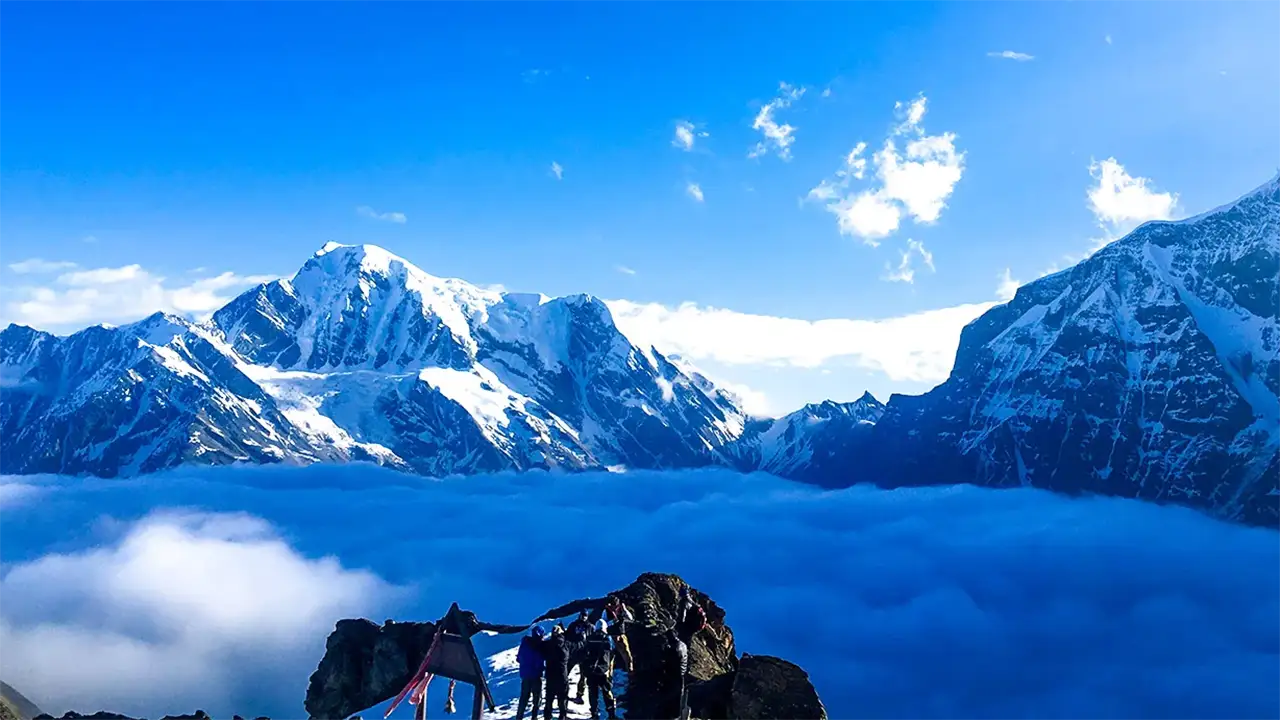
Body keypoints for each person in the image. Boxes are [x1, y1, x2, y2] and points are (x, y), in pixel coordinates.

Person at [582, 619, 619, 720]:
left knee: (593, 693)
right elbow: (612, 651)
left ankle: (594, 714)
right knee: (607, 692)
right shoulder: (608, 639)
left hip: (591, 671)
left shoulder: (589, 638)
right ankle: (611, 714)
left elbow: (584, 652)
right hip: (603, 671)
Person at [540, 625, 579, 720]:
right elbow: (579, 645)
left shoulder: (547, 644)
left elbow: (537, 645)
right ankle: (562, 717)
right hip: (562, 677)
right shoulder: (567, 644)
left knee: (549, 700)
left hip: (550, 677)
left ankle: (547, 717)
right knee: (562, 701)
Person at [516, 626, 546, 720]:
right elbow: (538, 661)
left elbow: (518, 658)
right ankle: (534, 717)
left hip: (525, 676)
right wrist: (541, 668)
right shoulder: (539, 646)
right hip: (536, 676)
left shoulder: (524, 643)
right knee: (536, 699)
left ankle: (519, 717)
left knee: (524, 698)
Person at [660, 626, 689, 720]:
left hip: (675, 676)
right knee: (678, 697)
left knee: (672, 699)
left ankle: (673, 716)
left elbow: (669, 662)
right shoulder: (683, 645)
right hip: (681, 674)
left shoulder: (675, 649)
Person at [603, 595, 634, 673]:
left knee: (627, 655)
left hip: (621, 635)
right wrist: (612, 622)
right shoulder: (606, 611)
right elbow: (603, 623)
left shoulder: (621, 610)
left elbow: (630, 618)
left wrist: (625, 610)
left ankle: (630, 671)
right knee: (610, 657)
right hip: (611, 636)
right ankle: (608, 674)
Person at [567, 611, 591, 701]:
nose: (583, 617)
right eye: (582, 615)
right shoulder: (573, 625)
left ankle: (580, 695)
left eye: (585, 616)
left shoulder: (590, 627)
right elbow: (567, 637)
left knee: (583, 676)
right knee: (565, 673)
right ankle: (563, 692)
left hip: (584, 654)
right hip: (573, 654)